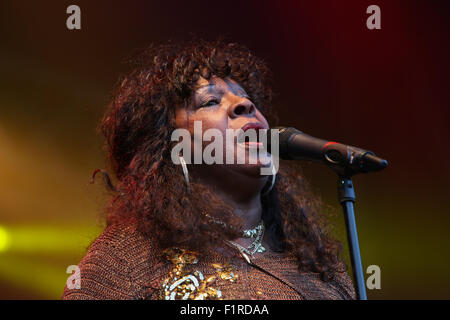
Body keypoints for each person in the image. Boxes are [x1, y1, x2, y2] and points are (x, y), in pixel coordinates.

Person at [62, 39, 355, 300]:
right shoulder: (126, 259)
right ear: (170, 146)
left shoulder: (315, 264)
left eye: (247, 98)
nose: (244, 104)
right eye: (211, 101)